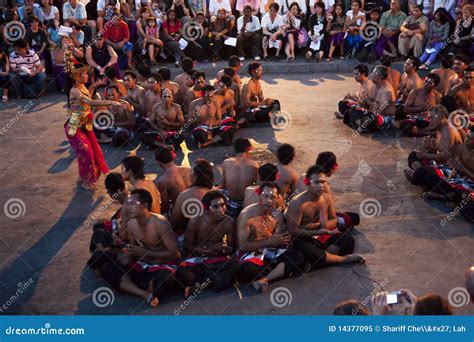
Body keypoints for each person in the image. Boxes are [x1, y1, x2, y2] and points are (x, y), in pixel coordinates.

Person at [98, 189, 180, 308]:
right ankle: (145, 293)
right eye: (128, 204)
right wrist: (127, 256)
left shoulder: (160, 223)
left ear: (145, 205)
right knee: (107, 268)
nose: (128, 208)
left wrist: (146, 252)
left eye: (133, 204)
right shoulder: (131, 224)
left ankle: (143, 286)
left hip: (162, 265)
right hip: (144, 264)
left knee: (166, 278)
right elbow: (133, 250)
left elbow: (176, 254)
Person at [287, 165, 365, 270]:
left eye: (323, 182)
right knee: (306, 249)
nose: (321, 186)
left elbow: (334, 219)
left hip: (321, 235)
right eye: (316, 182)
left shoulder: (326, 198)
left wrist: (319, 226)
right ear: (308, 183)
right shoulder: (297, 203)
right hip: (304, 239)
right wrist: (319, 231)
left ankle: (320, 260)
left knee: (348, 240)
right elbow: (293, 231)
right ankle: (344, 259)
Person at [64, 56, 121, 191]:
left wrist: (94, 86)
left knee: (94, 151)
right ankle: (86, 181)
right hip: (75, 125)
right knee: (86, 153)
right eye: (84, 74)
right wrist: (111, 102)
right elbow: (90, 102)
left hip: (85, 123)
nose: (87, 75)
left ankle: (87, 176)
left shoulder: (82, 86)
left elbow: (87, 98)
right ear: (77, 77)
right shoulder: (74, 91)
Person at [237, 181, 305, 293]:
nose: (269, 201)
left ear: (277, 198)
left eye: (273, 197)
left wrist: (280, 239)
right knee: (248, 268)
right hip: (252, 253)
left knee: (297, 256)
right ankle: (271, 273)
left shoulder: (277, 214)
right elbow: (242, 246)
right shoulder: (246, 215)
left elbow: (276, 241)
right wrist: (268, 241)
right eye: (265, 196)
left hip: (269, 252)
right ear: (259, 195)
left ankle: (263, 279)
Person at [176, 190, 241, 297]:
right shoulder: (195, 221)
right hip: (198, 261)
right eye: (215, 207)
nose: (220, 210)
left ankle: (199, 286)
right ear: (206, 209)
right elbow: (186, 248)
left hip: (217, 260)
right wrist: (208, 249)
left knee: (236, 265)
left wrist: (222, 249)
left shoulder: (229, 222)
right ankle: (216, 281)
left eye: (222, 205)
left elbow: (232, 248)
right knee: (182, 272)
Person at [405, 105, 463, 176]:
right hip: (441, 163)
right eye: (429, 118)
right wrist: (431, 147)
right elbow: (440, 150)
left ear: (442, 118)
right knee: (414, 155)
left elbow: (445, 156)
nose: (429, 120)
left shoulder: (448, 132)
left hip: (449, 168)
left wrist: (426, 155)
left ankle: (419, 174)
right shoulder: (440, 128)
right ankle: (419, 173)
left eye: (432, 118)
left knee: (429, 176)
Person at [342, 65, 396, 132]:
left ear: (380, 76)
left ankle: (360, 125)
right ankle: (359, 124)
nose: (371, 75)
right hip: (372, 112)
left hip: (385, 118)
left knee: (370, 118)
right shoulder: (374, 86)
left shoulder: (387, 91)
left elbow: (378, 110)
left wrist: (367, 101)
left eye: (374, 73)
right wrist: (360, 103)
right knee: (352, 110)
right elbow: (366, 104)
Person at [170, 158, 215, 233]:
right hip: (212, 234)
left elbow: (173, 222)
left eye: (190, 171)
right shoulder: (216, 191)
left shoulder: (184, 195)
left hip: (191, 236)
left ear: (196, 176)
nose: (188, 174)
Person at [221, 138, 259, 217]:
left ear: (235, 149)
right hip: (246, 204)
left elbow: (223, 185)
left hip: (229, 203)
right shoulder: (255, 165)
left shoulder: (226, 162)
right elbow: (258, 187)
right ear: (249, 149)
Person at [154, 146, 192, 216]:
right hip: (195, 207)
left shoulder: (163, 181)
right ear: (172, 157)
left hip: (181, 214)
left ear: (159, 163)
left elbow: (165, 206)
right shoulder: (188, 170)